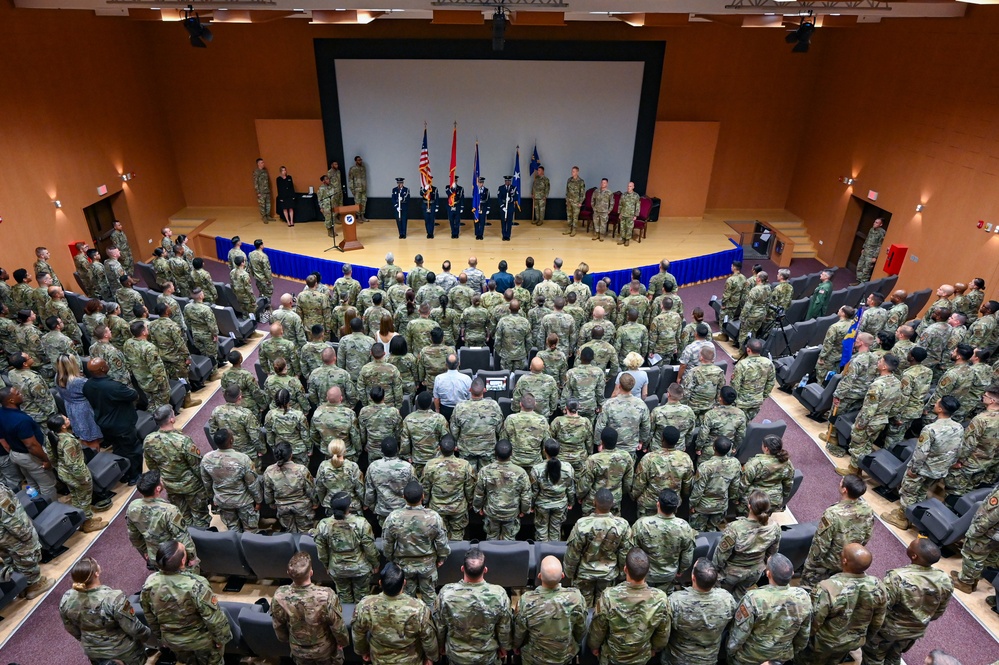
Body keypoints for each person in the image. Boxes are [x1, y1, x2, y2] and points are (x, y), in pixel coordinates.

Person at [862, 538, 953, 665]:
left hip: (887, 630)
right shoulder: (945, 579)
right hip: (914, 632)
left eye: (910, 545)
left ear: (914, 556)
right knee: (894, 656)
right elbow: (938, 612)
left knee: (873, 658)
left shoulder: (898, 577)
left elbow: (880, 606)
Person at [140, 540, 232, 665]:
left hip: (174, 641)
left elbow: (149, 616)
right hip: (201, 641)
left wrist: (161, 638)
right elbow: (213, 618)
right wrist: (221, 639)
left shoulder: (149, 583)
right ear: (183, 561)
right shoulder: (196, 584)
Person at [882, 396, 963, 530]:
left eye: (937, 403)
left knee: (908, 492)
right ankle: (913, 514)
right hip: (939, 470)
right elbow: (958, 449)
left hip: (923, 468)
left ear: (940, 409)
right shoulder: (958, 427)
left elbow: (920, 453)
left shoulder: (930, 429)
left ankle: (903, 518)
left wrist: (913, 470)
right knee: (922, 491)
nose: (935, 403)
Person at [801, 543, 888, 665]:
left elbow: (813, 622)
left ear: (845, 561)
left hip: (822, 644)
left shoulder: (827, 588)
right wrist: (862, 639)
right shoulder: (878, 586)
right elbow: (878, 620)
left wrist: (802, 642)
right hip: (851, 642)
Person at [59, 556, 150, 665]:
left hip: (93, 651)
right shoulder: (114, 598)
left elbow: (71, 628)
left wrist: (89, 640)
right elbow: (134, 629)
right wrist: (148, 634)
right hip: (123, 652)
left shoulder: (67, 597)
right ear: (96, 573)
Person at [587, 547, 671, 665]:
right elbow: (663, 634)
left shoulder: (609, 596)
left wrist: (593, 647)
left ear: (625, 569)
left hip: (613, 657)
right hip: (641, 656)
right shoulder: (661, 599)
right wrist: (654, 649)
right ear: (647, 571)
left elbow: (598, 630)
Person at [726, 554, 812, 665]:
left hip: (749, 658)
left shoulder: (753, 599)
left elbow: (738, 635)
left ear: (768, 574)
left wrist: (730, 653)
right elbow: (803, 636)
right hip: (781, 657)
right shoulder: (803, 597)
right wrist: (789, 653)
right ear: (792, 574)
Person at [434, 546, 512, 664]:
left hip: (456, 655)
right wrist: (504, 647)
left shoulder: (446, 593)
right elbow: (504, 628)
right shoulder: (499, 594)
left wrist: (440, 646)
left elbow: (440, 626)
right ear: (485, 570)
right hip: (487, 656)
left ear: (462, 569)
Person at [272, 551, 350, 665]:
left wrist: (286, 640)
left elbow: (278, 626)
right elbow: (337, 626)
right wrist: (343, 642)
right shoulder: (326, 595)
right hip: (324, 651)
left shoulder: (279, 595)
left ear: (288, 573)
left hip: (298, 650)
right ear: (311, 572)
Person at [352, 563, 439, 664]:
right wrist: (431, 657)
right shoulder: (418, 608)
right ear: (404, 583)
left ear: (380, 583)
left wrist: (363, 652)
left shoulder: (365, 605)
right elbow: (428, 637)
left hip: (379, 659)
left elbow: (358, 633)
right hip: (411, 660)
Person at [800, 473, 874, 589]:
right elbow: (867, 536)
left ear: (844, 490)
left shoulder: (833, 514)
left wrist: (810, 564)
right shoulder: (867, 509)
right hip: (848, 561)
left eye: (841, 481)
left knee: (810, 588)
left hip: (828, 563)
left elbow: (821, 544)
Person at [383, 479, 450, 608]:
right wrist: (441, 558)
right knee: (430, 598)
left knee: (407, 600)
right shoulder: (434, 517)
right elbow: (442, 543)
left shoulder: (393, 517)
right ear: (423, 496)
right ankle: (432, 624)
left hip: (403, 565)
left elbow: (387, 544)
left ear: (404, 497)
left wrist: (391, 559)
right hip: (428, 564)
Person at [143, 405, 210, 528]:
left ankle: (190, 539)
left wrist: (162, 480)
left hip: (170, 486)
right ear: (172, 420)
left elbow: (151, 465)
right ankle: (204, 539)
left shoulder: (149, 440)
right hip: (192, 486)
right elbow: (196, 466)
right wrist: (207, 485)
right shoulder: (183, 440)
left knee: (183, 516)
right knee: (200, 516)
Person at [564, 488, 633, 607]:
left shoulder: (582, 524)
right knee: (603, 609)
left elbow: (573, 553)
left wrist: (570, 573)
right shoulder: (622, 525)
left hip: (584, 574)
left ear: (594, 502)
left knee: (583, 608)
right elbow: (625, 553)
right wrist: (622, 573)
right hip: (609, 574)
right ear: (612, 504)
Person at [514, 555, 586, 665]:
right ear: (562, 575)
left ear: (539, 576)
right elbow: (580, 629)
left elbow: (519, 632)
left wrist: (516, 646)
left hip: (534, 658)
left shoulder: (526, 601)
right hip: (564, 655)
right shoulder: (576, 598)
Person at [664, 558, 736, 665]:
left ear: (693, 577)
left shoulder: (675, 601)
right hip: (709, 659)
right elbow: (731, 626)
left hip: (677, 658)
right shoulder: (727, 599)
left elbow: (664, 631)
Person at [712, 490, 781, 601]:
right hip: (755, 572)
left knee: (722, 597)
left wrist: (714, 571)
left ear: (749, 506)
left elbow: (721, 555)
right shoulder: (775, 527)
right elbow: (772, 553)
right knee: (740, 595)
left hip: (731, 573)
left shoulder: (734, 528)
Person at [314, 490, 378, 604]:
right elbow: (369, 548)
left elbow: (322, 551)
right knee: (362, 600)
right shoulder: (361, 523)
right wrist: (375, 564)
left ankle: (347, 620)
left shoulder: (323, 525)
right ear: (349, 506)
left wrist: (327, 565)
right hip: (360, 568)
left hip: (337, 568)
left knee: (344, 599)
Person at [126, 470, 199, 571]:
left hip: (155, 556)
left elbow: (133, 535)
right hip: (174, 557)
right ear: (158, 488)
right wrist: (192, 557)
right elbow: (182, 536)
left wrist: (144, 551)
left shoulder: (133, 507)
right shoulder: (170, 511)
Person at [46, 414, 107, 531]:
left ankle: (83, 520)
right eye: (66, 419)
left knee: (76, 498)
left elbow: (52, 457)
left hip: (64, 473)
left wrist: (59, 468)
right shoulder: (67, 441)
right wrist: (83, 478)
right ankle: (88, 524)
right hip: (76, 475)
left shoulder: (51, 436)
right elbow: (73, 463)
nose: (68, 418)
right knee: (84, 498)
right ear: (63, 426)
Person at [632, 488, 696, 593]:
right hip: (669, 574)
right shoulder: (684, 527)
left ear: (658, 504)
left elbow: (633, 551)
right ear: (676, 507)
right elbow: (687, 555)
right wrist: (681, 570)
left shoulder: (642, 524)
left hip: (646, 574)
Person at [0, 385, 57, 501]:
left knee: (32, 483)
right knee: (47, 484)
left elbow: (2, 438)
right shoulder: (21, 420)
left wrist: (11, 449)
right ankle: (54, 511)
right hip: (30, 456)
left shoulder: (1, 413)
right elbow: (31, 445)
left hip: (15, 454)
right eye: (17, 393)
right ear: (11, 400)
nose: (21, 393)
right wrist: (46, 460)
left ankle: (38, 506)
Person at [200, 428, 261, 532]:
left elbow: (206, 482)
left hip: (223, 501)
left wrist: (212, 497)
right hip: (243, 501)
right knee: (251, 531)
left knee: (232, 529)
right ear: (231, 441)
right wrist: (258, 500)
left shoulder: (207, 459)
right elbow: (252, 484)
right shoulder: (243, 459)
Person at [0, 482, 52, 598]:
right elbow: (12, 521)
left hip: (2, 538)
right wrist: (26, 536)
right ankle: (34, 585)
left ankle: (22, 586)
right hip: (12, 536)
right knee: (26, 557)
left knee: (11, 560)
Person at [473, 439, 531, 539]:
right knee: (509, 539)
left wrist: (478, 507)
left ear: (495, 453)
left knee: (491, 538)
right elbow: (526, 496)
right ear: (512, 453)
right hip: (511, 513)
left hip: (492, 512)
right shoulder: (520, 472)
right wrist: (524, 510)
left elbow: (479, 493)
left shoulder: (485, 471)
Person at [950, 484, 999, 594]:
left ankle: (965, 583)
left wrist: (975, 531)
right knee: (986, 557)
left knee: (973, 554)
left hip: (989, 532)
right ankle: (973, 579)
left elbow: (990, 516)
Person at [450, 378, 504, 471]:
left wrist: (456, 443)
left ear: (470, 390)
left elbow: (454, 430)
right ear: (484, 390)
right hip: (488, 450)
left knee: (469, 478)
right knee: (487, 478)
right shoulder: (494, 405)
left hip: (466, 450)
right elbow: (500, 429)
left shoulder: (460, 407)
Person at [263, 441, 317, 533]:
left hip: (283, 508)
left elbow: (268, 491)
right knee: (305, 532)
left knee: (290, 532)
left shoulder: (269, 471)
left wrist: (271, 503)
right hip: (302, 507)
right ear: (291, 455)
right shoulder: (301, 470)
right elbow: (310, 489)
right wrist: (315, 502)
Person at [530, 438, 575, 541]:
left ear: (544, 451)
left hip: (542, 505)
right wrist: (571, 503)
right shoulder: (568, 468)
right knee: (555, 530)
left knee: (541, 531)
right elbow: (570, 488)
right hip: (560, 504)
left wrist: (532, 505)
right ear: (559, 451)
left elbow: (534, 491)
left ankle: (542, 554)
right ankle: (554, 554)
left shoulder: (537, 469)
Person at [364, 437, 415, 526]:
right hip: (404, 512)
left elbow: (369, 493)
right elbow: (415, 490)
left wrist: (374, 508)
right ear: (397, 449)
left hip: (383, 511)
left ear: (381, 451)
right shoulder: (408, 467)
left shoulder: (373, 467)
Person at [741, 435, 795, 512]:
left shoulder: (755, 463)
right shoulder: (787, 462)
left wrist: (736, 499)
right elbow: (788, 483)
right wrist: (784, 496)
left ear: (766, 448)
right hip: (774, 501)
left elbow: (743, 484)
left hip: (755, 500)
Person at [401, 391, 449, 475]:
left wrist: (407, 457)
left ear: (417, 403)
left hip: (417, 460)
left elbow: (405, 443)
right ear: (431, 403)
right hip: (436, 461)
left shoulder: (408, 419)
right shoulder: (439, 418)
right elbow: (446, 440)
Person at [730, 338, 775, 420]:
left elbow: (735, 386)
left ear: (748, 350)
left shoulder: (741, 365)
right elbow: (771, 383)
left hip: (741, 403)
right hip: (757, 402)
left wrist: (732, 402)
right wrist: (762, 396)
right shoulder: (768, 363)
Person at [855, 216, 887, 283]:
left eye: (876, 223)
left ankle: (862, 284)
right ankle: (858, 282)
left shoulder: (882, 233)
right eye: (875, 222)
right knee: (859, 267)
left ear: (880, 224)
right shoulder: (871, 229)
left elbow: (879, 245)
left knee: (866, 270)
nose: (874, 223)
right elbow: (867, 239)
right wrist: (863, 248)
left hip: (871, 254)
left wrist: (875, 256)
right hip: (865, 251)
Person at [564, 165, 585, 236]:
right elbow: (567, 191)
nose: (572, 172)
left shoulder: (581, 182)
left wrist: (580, 202)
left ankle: (574, 230)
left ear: (577, 172)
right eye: (572, 171)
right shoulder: (569, 180)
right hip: (569, 201)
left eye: (574, 171)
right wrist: (566, 200)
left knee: (575, 217)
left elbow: (582, 193)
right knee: (569, 216)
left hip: (576, 202)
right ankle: (569, 228)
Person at [617, 181, 641, 245]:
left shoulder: (636, 196)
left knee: (629, 228)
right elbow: (620, 204)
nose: (628, 187)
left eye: (630, 186)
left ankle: (627, 240)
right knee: (622, 227)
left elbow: (637, 206)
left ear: (633, 187)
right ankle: (622, 238)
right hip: (623, 213)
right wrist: (619, 213)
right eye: (628, 186)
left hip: (631, 215)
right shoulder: (624, 195)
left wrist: (636, 215)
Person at [253, 158, 275, 222]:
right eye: (262, 163)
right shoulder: (256, 172)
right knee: (262, 204)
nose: (263, 164)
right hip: (261, 191)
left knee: (268, 204)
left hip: (267, 191)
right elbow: (255, 183)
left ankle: (268, 216)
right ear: (258, 164)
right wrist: (258, 192)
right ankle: (264, 217)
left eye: (263, 162)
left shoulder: (265, 171)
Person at [348, 155, 368, 222]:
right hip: (357, 189)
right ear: (356, 161)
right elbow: (350, 179)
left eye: (361, 160)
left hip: (363, 188)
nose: (360, 161)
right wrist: (352, 189)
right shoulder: (353, 169)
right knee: (357, 203)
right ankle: (358, 217)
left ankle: (362, 215)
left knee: (363, 202)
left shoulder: (363, 168)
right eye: (358, 160)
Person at [499, 174, 517, 240]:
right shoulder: (501, 188)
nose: (508, 182)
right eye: (506, 181)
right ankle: (504, 235)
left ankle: (508, 235)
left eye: (509, 181)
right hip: (503, 207)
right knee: (503, 222)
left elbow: (516, 197)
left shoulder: (514, 188)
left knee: (509, 222)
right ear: (505, 181)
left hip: (510, 206)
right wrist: (502, 206)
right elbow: (499, 198)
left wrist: (511, 199)